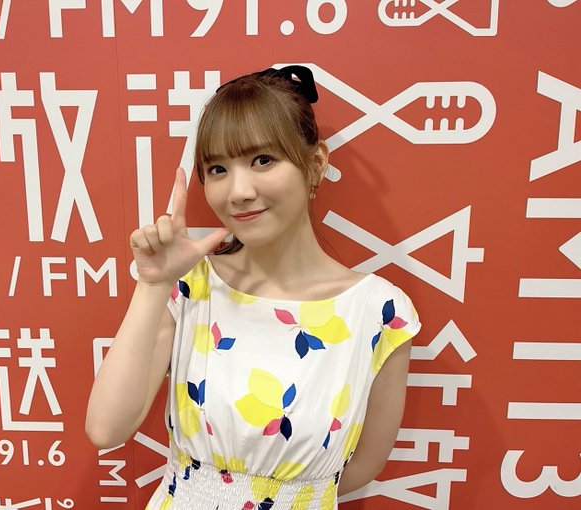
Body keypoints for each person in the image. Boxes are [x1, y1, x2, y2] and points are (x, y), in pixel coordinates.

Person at [85, 65, 422, 509]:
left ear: (316, 163)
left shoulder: (380, 312)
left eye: (263, 160)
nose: (238, 191)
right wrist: (153, 285)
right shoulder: (191, 287)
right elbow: (106, 429)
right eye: (217, 169)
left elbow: (361, 468)